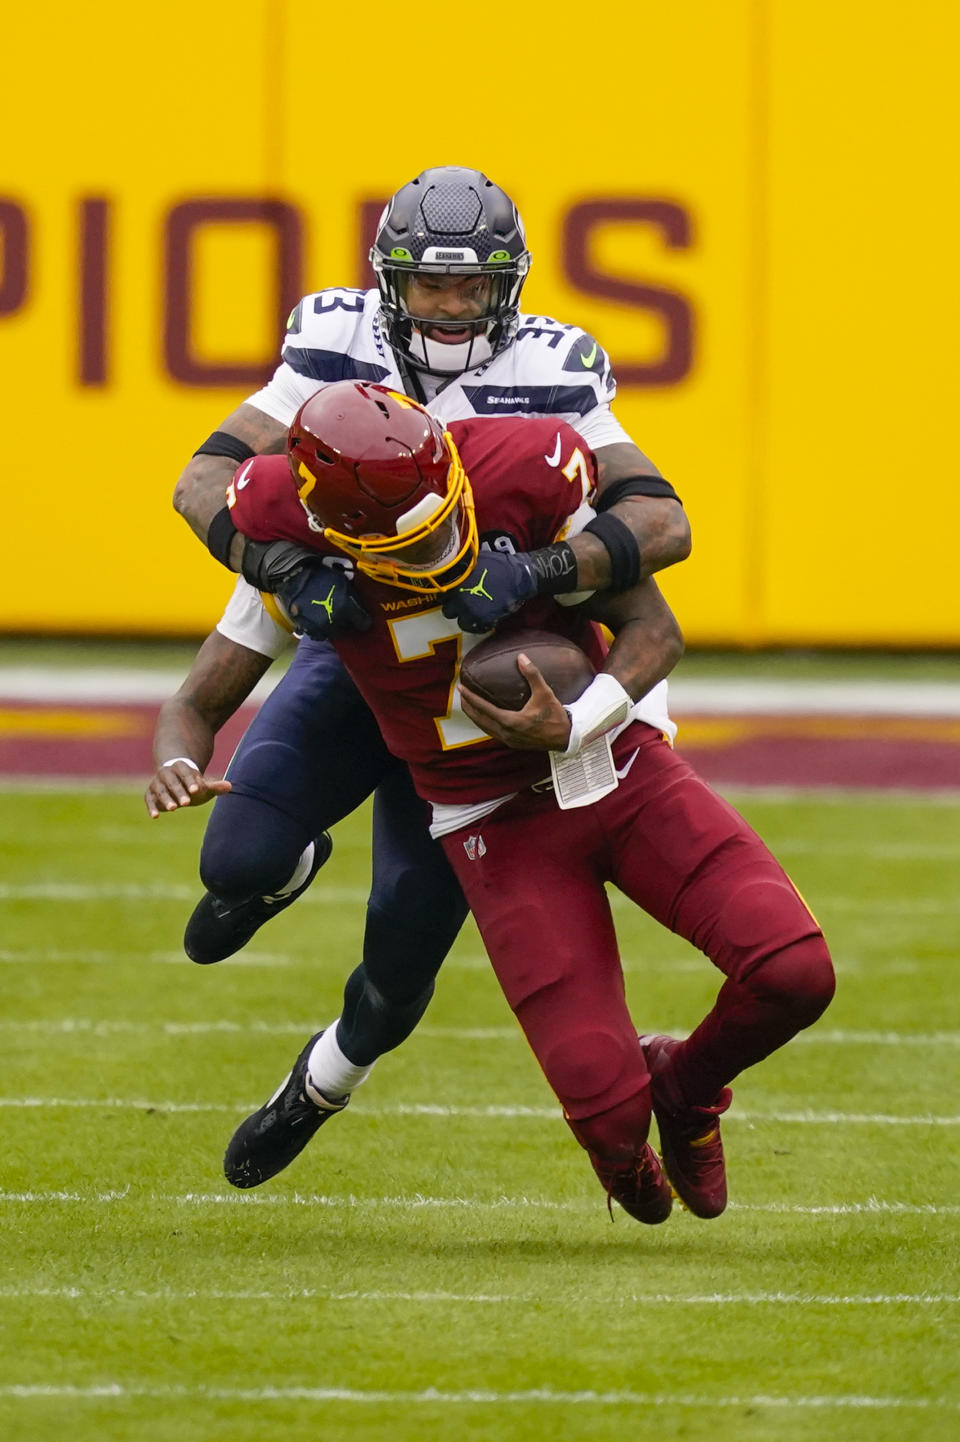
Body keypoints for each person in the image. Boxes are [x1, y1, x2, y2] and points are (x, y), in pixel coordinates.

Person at [209, 381, 834, 1224]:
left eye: (448, 524)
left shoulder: (518, 470)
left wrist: (575, 711)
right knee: (617, 1143)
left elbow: (658, 618)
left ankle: (686, 1086)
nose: (443, 554)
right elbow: (208, 499)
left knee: (797, 972)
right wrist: (275, 570)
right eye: (414, 542)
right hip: (489, 826)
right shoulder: (286, 521)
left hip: (614, 770)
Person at [169, 165, 690, 984]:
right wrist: (284, 569)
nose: (449, 306)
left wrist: (536, 572)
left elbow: (662, 522)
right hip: (357, 627)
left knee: (404, 939)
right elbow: (204, 482)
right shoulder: (336, 341)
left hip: (476, 650)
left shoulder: (553, 365)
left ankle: (340, 1063)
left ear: (507, 289)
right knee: (238, 860)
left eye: (470, 287)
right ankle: (284, 867)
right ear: (388, 283)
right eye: (428, 283)